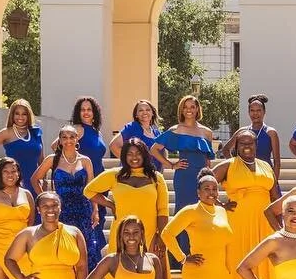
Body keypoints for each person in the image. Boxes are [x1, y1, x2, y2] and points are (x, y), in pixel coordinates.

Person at [85, 138, 176, 279]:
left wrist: (160, 236)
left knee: (154, 274)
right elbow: (88, 190)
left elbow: (162, 211)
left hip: (150, 233)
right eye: (129, 154)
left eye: (138, 153)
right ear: (124, 156)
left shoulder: (156, 178)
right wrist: (110, 205)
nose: (134, 157)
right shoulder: (114, 175)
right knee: (120, 271)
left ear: (145, 155)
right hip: (121, 235)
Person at [210, 129, 279, 279]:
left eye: (251, 143)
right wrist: (221, 203)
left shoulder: (266, 166)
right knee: (237, 265)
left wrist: (280, 225)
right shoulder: (228, 166)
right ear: (236, 147)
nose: (247, 147)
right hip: (238, 222)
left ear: (257, 145)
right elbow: (205, 185)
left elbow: (275, 196)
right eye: (242, 144)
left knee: (260, 266)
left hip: (264, 223)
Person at [32, 125, 103, 279]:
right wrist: (46, 199)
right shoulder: (52, 159)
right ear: (60, 140)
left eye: (72, 137)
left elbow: (91, 188)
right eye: (64, 137)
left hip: (84, 210)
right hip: (62, 212)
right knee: (66, 250)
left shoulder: (85, 161)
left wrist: (95, 210)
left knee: (87, 250)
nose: (68, 140)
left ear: (77, 139)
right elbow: (34, 179)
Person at [150, 94, 216, 227]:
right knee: (183, 211)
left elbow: (208, 159)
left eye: (192, 107)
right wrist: (171, 165)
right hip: (184, 177)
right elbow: (154, 149)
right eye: (185, 107)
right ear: (181, 110)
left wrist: (210, 179)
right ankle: (181, 246)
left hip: (202, 177)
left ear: (197, 109)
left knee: (203, 211)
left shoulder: (207, 132)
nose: (189, 110)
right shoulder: (176, 130)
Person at [0, 99, 45, 190]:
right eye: (17, 113)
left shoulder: (35, 132)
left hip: (35, 184)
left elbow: (41, 160)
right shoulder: (6, 133)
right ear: (12, 115)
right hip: (14, 184)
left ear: (28, 115)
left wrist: (44, 179)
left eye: (24, 114)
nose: (20, 117)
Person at [221, 94, 283, 177]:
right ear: (248, 112)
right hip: (244, 175)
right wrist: (236, 165)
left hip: (265, 175)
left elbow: (277, 162)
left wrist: (274, 183)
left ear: (264, 112)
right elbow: (226, 150)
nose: (255, 114)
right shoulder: (242, 132)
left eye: (258, 110)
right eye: (252, 110)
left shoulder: (271, 133)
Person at [54, 96, 107, 177]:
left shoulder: (97, 132)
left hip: (100, 179)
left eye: (89, 109)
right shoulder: (77, 129)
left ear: (94, 112)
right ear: (78, 113)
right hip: (83, 180)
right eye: (82, 110)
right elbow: (55, 146)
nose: (86, 112)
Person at [113, 99, 164, 169]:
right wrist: (132, 163)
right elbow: (114, 146)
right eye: (141, 110)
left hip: (152, 174)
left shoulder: (157, 132)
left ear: (152, 113)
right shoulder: (131, 127)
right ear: (136, 115)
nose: (144, 112)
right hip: (133, 175)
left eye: (148, 110)